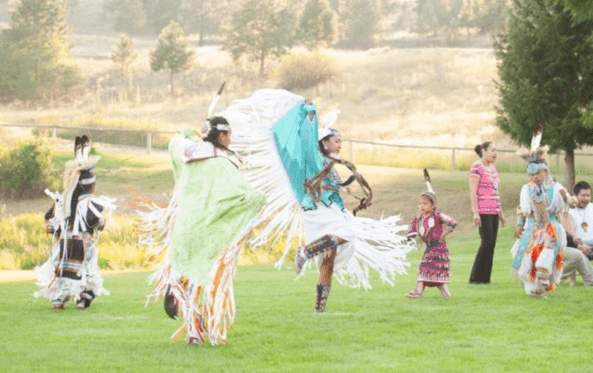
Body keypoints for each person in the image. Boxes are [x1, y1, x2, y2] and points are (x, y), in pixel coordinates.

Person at [224, 89, 411, 313]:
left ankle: (319, 309)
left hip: (330, 211)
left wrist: (342, 188)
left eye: (341, 141)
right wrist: (309, 113)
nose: (340, 144)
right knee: (348, 235)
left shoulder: (330, 164)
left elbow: (328, 186)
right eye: (336, 141)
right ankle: (305, 251)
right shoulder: (314, 159)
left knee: (329, 262)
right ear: (323, 142)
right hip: (317, 212)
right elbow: (306, 140)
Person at [133, 116, 266, 345]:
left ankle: (193, 330)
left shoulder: (188, 151)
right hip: (208, 228)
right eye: (229, 135)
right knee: (203, 279)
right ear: (222, 136)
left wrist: (186, 132)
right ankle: (200, 325)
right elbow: (244, 195)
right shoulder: (223, 163)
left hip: (184, 225)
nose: (231, 139)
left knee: (189, 276)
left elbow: (176, 140)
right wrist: (258, 199)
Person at [34, 136, 115, 310]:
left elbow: (49, 217)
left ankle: (58, 300)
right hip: (82, 243)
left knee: (63, 270)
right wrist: (101, 223)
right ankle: (83, 299)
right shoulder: (90, 202)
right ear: (90, 187)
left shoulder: (62, 200)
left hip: (63, 243)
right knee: (85, 271)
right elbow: (95, 221)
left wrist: (55, 230)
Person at [510, 127, 567, 297]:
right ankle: (531, 287)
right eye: (531, 175)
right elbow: (523, 210)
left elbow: (564, 203)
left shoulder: (554, 188)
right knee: (527, 256)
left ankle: (541, 284)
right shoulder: (526, 189)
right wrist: (520, 224)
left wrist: (566, 198)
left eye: (537, 174)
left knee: (545, 255)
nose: (534, 177)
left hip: (550, 228)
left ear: (545, 172)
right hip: (532, 228)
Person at [404, 175, 457, 299]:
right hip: (429, 249)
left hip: (439, 248)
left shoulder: (438, 216)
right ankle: (446, 296)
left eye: (425, 203)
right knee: (435, 274)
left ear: (432, 206)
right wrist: (408, 238)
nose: (422, 206)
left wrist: (444, 234)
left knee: (426, 269)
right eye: (420, 204)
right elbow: (412, 232)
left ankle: (417, 293)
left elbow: (452, 222)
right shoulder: (417, 220)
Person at [468, 141, 506, 284]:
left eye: (496, 151)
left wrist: (500, 212)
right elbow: (473, 191)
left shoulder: (493, 169)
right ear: (484, 151)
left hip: (494, 210)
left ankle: (485, 279)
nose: (495, 153)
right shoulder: (477, 167)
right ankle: (475, 278)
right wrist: (475, 212)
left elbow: (495, 190)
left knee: (492, 244)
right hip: (483, 211)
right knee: (486, 242)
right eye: (492, 150)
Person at [560, 211, 593, 286]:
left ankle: (592, 281)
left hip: (558, 247)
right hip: (546, 249)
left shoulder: (556, 217)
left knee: (579, 255)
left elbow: (564, 235)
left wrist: (576, 242)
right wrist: (579, 247)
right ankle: (552, 281)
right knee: (576, 254)